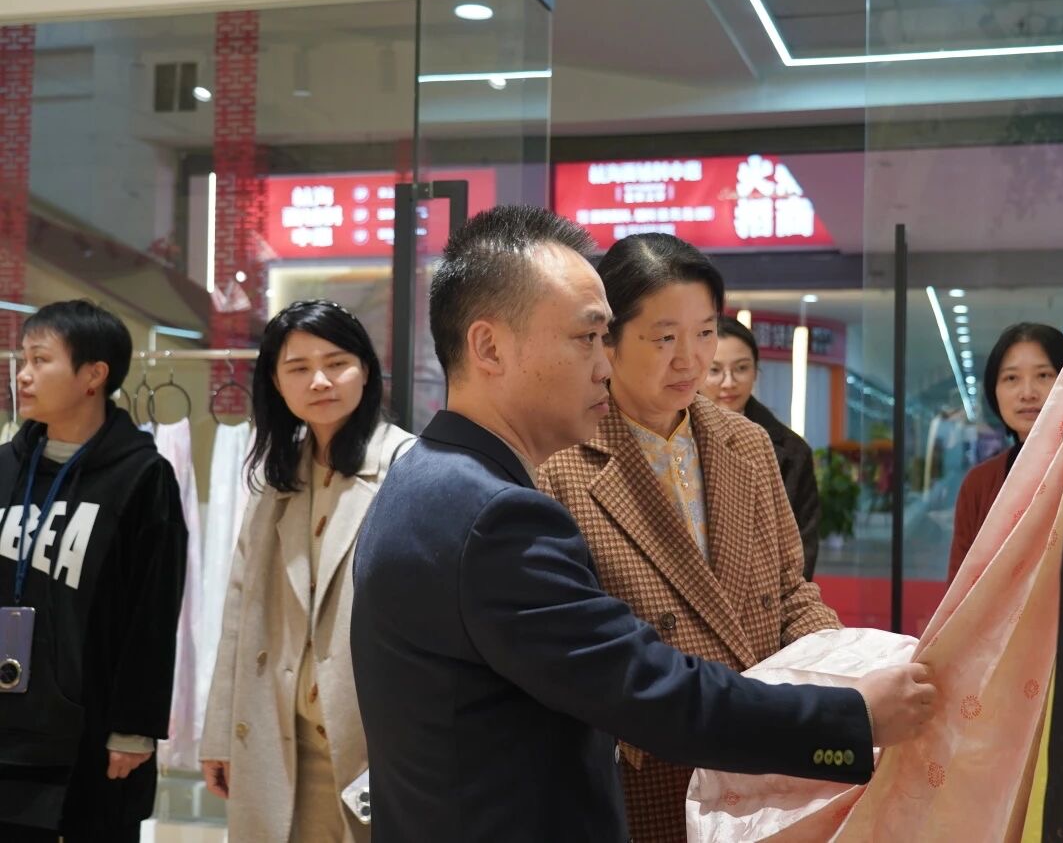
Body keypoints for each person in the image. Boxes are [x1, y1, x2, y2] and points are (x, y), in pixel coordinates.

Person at [350, 205, 936, 843]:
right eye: (587, 338)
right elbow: (645, 686)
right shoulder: (498, 514)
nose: (602, 366)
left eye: (705, 332)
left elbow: (784, 591)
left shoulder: (425, 476)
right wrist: (851, 717)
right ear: (490, 347)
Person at [538, 236, 837, 840]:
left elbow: (789, 591)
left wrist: (841, 674)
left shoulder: (747, 442)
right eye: (664, 338)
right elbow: (567, 655)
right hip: (647, 769)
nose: (690, 360)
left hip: (765, 766)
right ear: (609, 339)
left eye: (704, 333)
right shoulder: (560, 462)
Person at [201, 300, 413, 843]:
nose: (319, 381)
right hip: (277, 742)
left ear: (365, 370)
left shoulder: (408, 466)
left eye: (336, 363)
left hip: (369, 748)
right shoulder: (276, 477)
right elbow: (240, 609)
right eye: (298, 368)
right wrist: (220, 734)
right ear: (276, 382)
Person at [0, 300, 187, 843]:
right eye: (22, 359)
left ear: (93, 375)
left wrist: (134, 727)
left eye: (41, 359)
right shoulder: (5, 467)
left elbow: (153, 613)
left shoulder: (143, 476)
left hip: (92, 738)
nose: (23, 374)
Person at [947, 322, 1063, 583]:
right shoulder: (979, 484)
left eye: (1044, 375)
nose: (1027, 393)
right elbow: (959, 593)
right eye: (1011, 378)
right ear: (994, 392)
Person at [702, 313, 822, 580]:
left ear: (756, 371)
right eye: (714, 370)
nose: (729, 382)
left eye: (741, 368)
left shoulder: (792, 450)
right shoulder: (671, 436)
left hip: (766, 592)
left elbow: (803, 546)